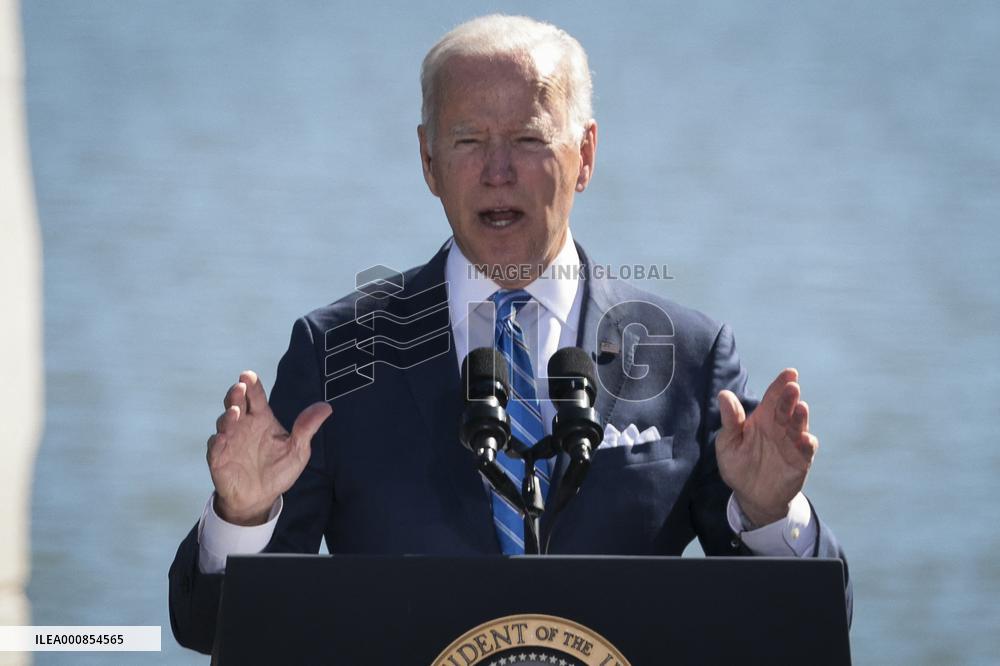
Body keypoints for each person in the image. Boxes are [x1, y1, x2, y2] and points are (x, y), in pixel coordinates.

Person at [169, 14, 851, 654]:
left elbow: (802, 631)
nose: (498, 171)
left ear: (585, 154)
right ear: (428, 160)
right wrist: (245, 515)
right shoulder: (339, 352)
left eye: (528, 139)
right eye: (468, 141)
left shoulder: (690, 357)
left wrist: (769, 513)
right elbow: (208, 629)